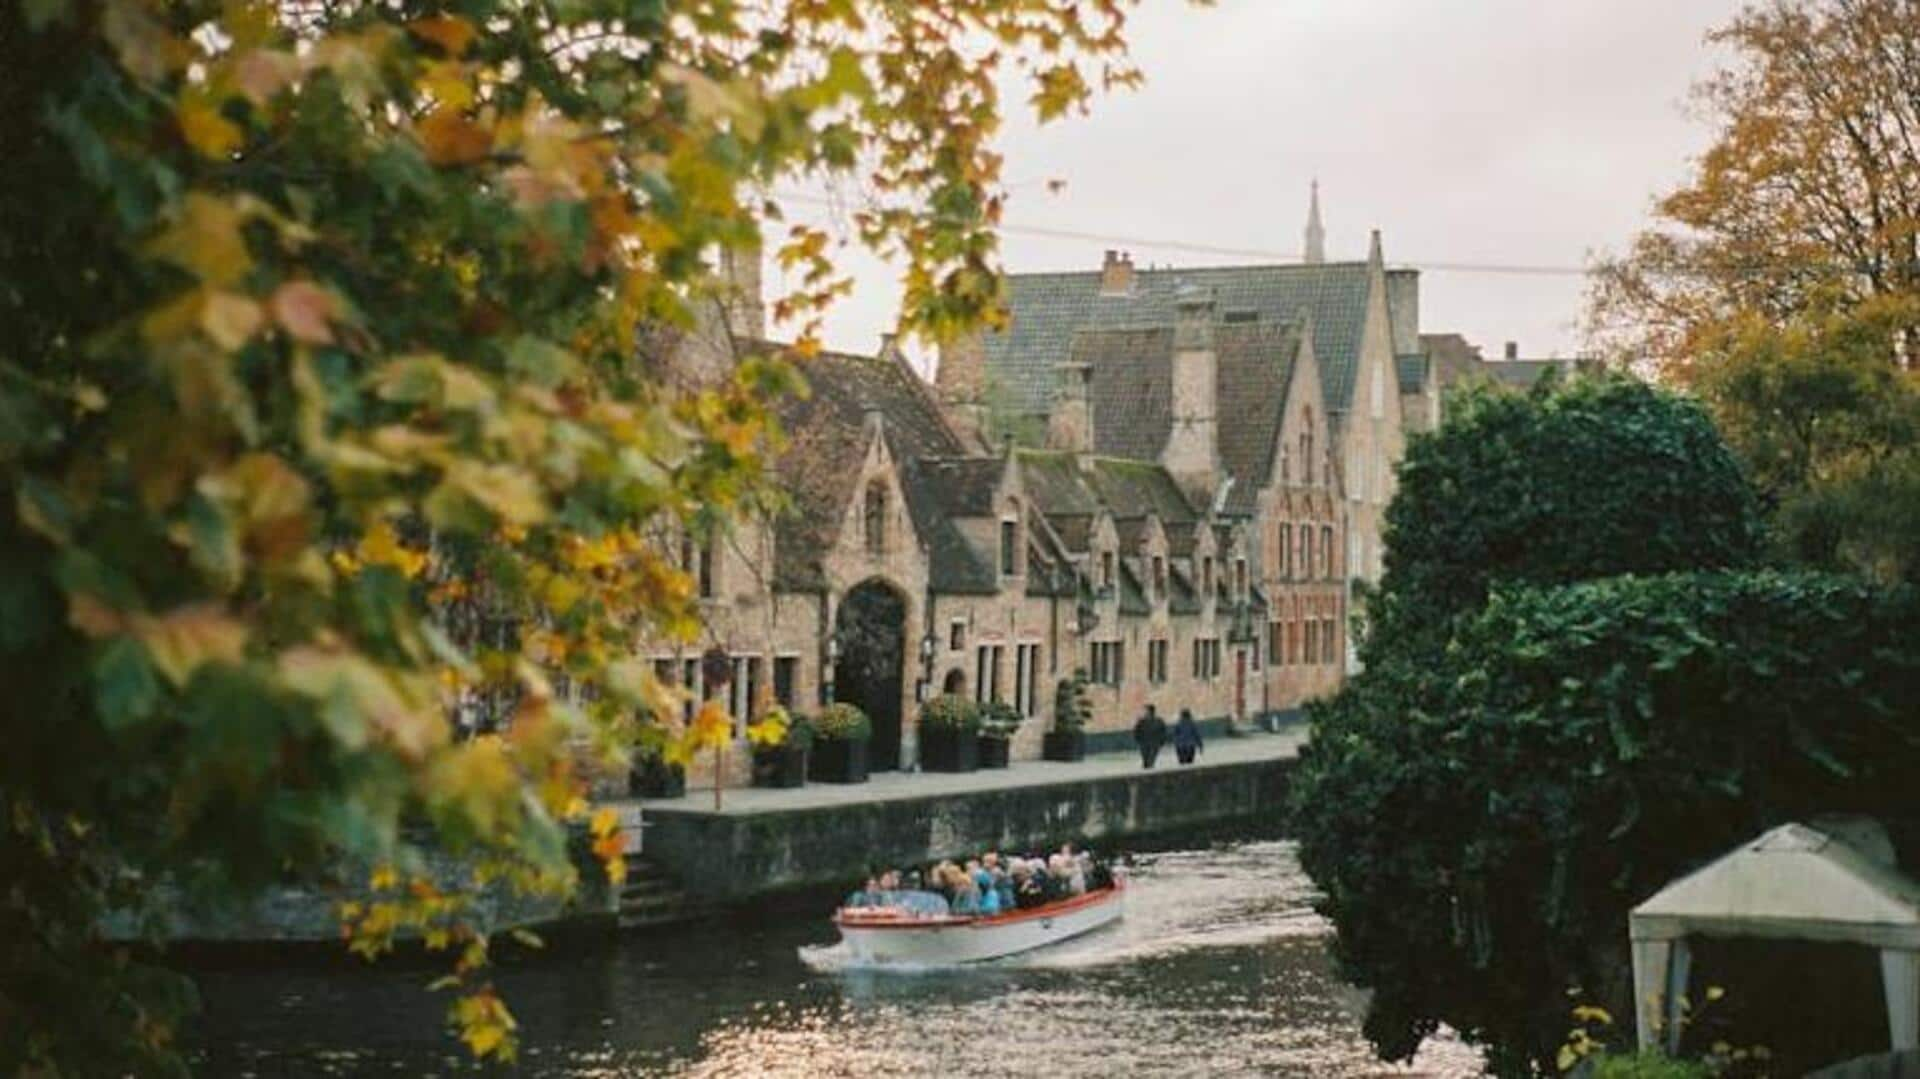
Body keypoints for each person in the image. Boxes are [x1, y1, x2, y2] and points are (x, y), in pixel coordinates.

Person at [1133, 704, 1168, 769]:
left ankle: (1149, 774)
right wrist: (1138, 741)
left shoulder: (1158, 721)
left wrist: (1161, 742)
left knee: (1150, 761)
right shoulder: (1141, 722)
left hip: (1154, 745)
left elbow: (1163, 732)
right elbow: (1136, 732)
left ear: (1150, 712)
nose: (1144, 713)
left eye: (1146, 711)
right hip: (1144, 744)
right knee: (1146, 761)